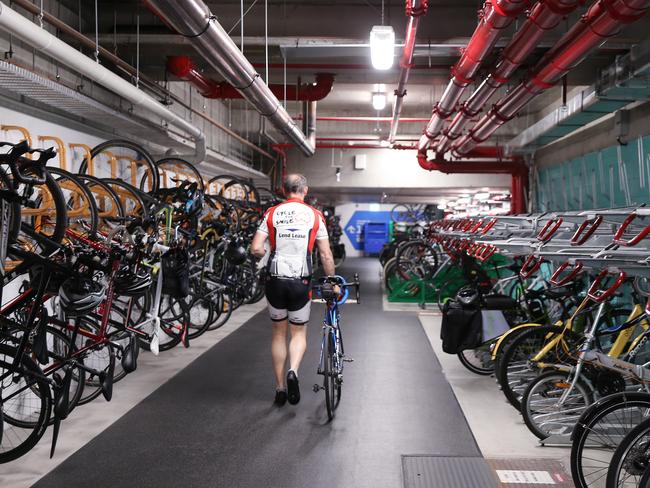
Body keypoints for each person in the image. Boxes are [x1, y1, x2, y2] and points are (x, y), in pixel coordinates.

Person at [251, 174, 338, 407]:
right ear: (305, 190)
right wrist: (333, 280)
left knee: (278, 332)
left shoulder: (271, 213)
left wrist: (266, 253)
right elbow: (326, 254)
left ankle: (279, 388)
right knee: (298, 332)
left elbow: (256, 248)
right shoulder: (315, 215)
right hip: (301, 281)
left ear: (283, 190)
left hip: (275, 280)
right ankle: (293, 371)